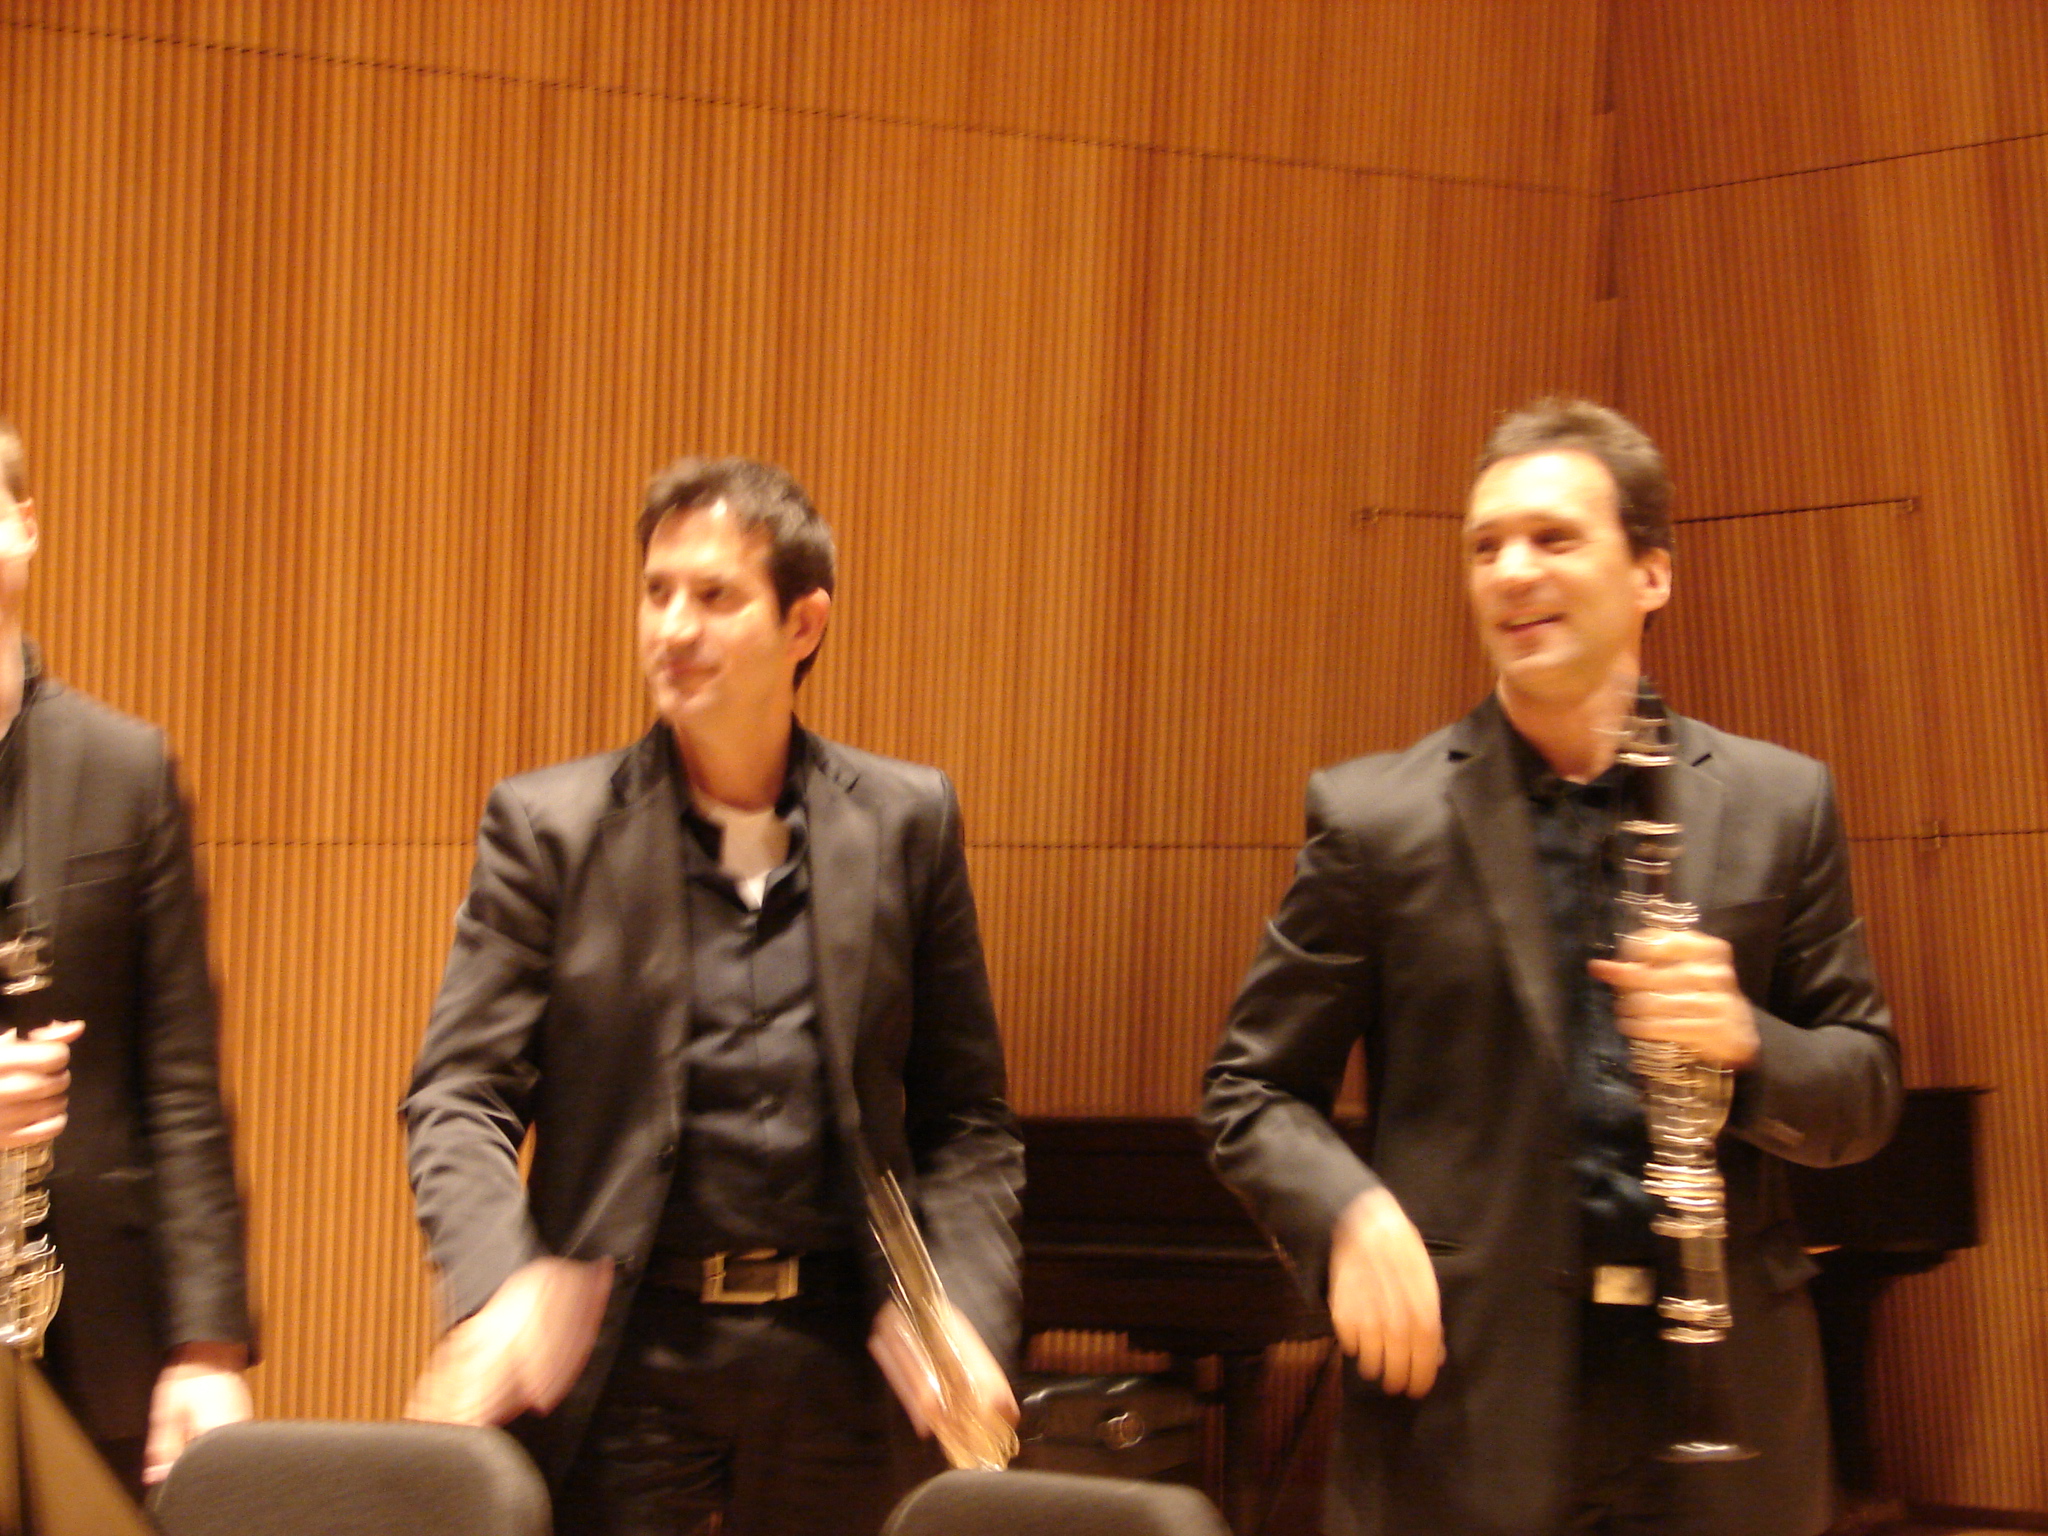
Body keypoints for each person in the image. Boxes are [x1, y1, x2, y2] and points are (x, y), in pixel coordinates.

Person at [1200, 399, 1901, 1536]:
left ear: (1650, 574)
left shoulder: (1780, 803)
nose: (1511, 572)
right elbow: (1250, 1089)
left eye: (1552, 538)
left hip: (1724, 1416)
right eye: (1485, 546)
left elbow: (1863, 1092)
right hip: (1466, 1409)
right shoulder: (1377, 820)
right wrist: (1349, 1215)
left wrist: (1748, 1045)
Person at [403, 456, 1022, 1536]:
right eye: (656, 592)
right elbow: (459, 1095)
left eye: (714, 595)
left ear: (803, 623)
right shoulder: (548, 832)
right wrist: (501, 1285)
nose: (672, 627)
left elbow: (965, 1118)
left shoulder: (904, 823)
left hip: (844, 1361)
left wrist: (962, 1310)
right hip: (629, 1361)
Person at [0, 416, 254, 1493]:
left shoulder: (126, 768)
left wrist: (208, 1345)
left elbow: (182, 1082)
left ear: (24, 525)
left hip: (99, 1343)